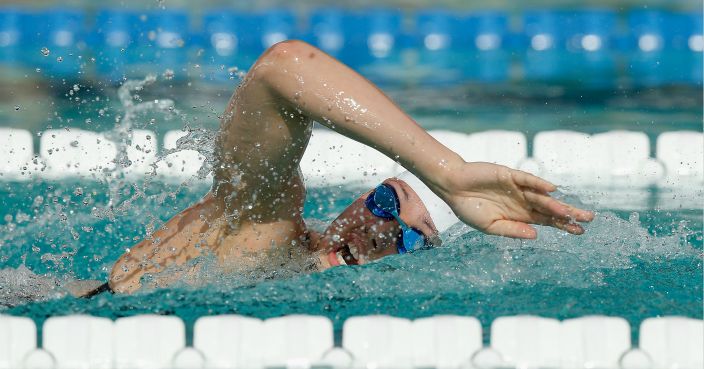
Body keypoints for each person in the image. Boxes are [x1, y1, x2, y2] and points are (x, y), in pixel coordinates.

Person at [76, 40, 594, 296]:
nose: (376, 234)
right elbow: (285, 66)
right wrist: (449, 172)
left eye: (409, 238)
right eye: (386, 204)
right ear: (361, 197)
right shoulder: (267, 222)